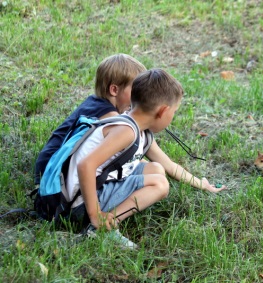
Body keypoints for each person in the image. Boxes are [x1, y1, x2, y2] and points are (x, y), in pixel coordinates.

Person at [68, 69, 226, 247]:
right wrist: (95, 213)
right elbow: (85, 165)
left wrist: (202, 184)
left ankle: (105, 218)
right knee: (160, 184)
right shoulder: (126, 131)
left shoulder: (138, 129)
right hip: (79, 202)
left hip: (94, 186)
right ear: (163, 111)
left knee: (157, 169)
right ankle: (102, 227)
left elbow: (169, 166)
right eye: (174, 112)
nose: (172, 117)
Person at [34, 53, 146, 186]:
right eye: (136, 90)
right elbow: (126, 156)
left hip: (46, 165)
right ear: (114, 90)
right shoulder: (111, 117)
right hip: (54, 174)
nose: (139, 97)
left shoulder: (94, 102)